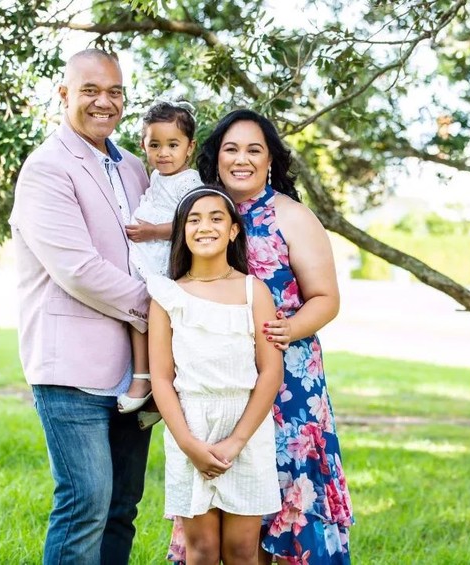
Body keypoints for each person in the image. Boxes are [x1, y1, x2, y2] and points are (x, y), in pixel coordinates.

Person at [164, 109, 355, 564]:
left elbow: (326, 298)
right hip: (217, 384)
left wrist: (285, 330)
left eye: (254, 149)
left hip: (287, 382)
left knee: (282, 497)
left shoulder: (291, 215)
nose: (241, 159)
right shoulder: (202, 215)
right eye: (231, 149)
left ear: (271, 159)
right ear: (216, 157)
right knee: (222, 502)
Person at [9, 48, 152, 565]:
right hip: (71, 368)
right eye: (90, 90)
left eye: (114, 91)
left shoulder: (134, 167)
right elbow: (78, 269)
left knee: (121, 509)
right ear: (64, 94)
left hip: (137, 372)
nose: (104, 101)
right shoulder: (47, 168)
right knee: (85, 505)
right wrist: (160, 310)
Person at [148, 185, 284, 564]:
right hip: (190, 427)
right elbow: (160, 378)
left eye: (215, 218)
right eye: (193, 219)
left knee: (242, 550)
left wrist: (237, 440)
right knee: (203, 550)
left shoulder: (252, 290)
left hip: (247, 428)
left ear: (234, 231)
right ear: (181, 231)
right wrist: (189, 444)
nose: (204, 227)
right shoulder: (167, 296)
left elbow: (271, 370)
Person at [118, 98, 202, 414]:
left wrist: (153, 231)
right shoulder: (155, 176)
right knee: (137, 314)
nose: (163, 153)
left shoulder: (190, 182)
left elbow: (191, 222)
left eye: (172, 144)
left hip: (166, 257)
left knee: (159, 320)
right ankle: (143, 376)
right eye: (155, 145)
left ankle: (161, 384)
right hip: (145, 254)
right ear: (144, 145)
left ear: (189, 147)